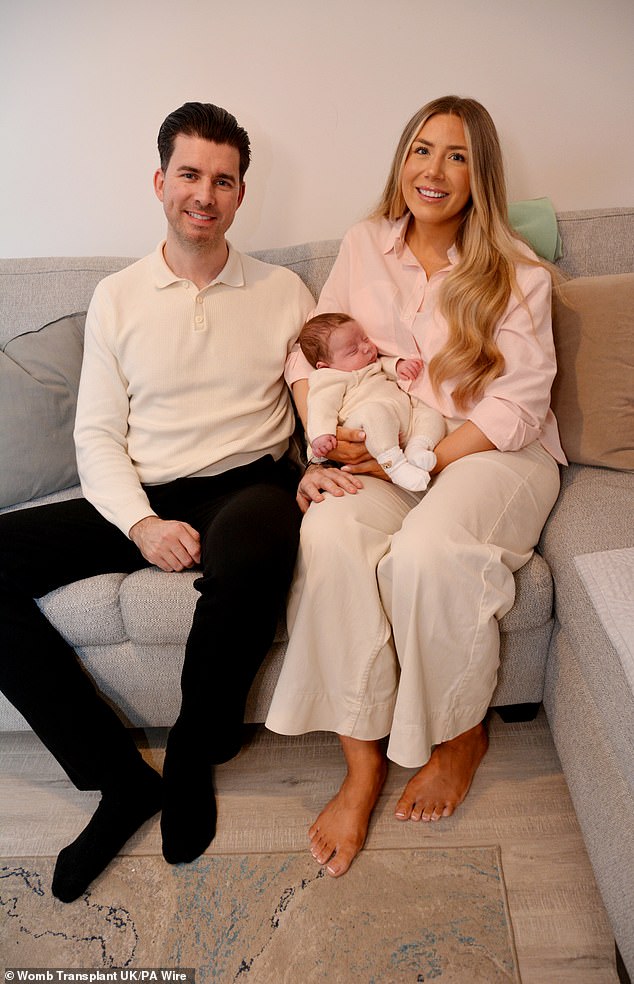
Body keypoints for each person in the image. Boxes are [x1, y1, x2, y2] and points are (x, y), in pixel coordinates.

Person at [0, 102, 314, 901]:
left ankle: (189, 754)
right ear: (160, 182)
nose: (204, 194)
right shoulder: (117, 297)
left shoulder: (285, 291)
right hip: (149, 489)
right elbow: (97, 436)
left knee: (254, 546)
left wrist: (321, 460)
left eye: (223, 179)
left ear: (242, 193)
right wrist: (140, 522)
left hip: (251, 482)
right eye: (189, 175)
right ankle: (117, 780)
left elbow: (327, 398)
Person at [266, 95, 566, 878]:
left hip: (491, 453)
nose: (434, 170)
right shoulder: (365, 243)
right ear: (402, 162)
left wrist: (427, 463)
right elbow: (311, 353)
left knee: (428, 554)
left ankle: (459, 731)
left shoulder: (519, 273)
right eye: (422, 151)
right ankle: (362, 761)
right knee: (328, 535)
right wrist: (328, 445)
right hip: (386, 450)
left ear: (480, 175)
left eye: (457, 155)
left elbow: (520, 405)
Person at [300, 312, 445, 491]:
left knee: (431, 414)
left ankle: (417, 448)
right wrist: (321, 434)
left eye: (365, 339)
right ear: (325, 366)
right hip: (366, 426)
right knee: (374, 412)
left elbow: (383, 364)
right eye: (353, 350)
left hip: (402, 418)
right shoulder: (330, 378)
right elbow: (320, 406)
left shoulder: (369, 363)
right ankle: (395, 466)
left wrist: (398, 366)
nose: (366, 348)